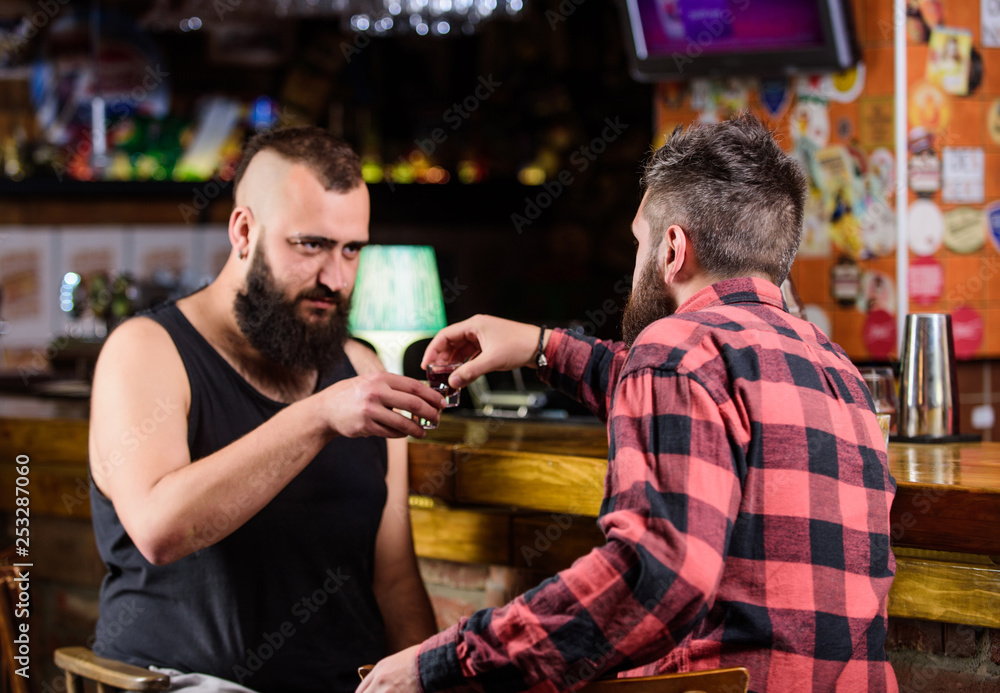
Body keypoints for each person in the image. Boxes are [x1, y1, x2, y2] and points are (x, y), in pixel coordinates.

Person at [358, 114, 898, 692]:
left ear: (672, 249)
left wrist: (447, 662)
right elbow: (684, 393)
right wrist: (539, 346)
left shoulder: (673, 351)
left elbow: (659, 576)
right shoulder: (835, 368)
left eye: (637, 240)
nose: (633, 259)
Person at [88, 127, 442, 693]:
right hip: (179, 682)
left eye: (352, 249)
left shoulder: (364, 370)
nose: (336, 278)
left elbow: (394, 579)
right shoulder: (146, 350)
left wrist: (429, 683)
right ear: (244, 231)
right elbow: (159, 530)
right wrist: (319, 416)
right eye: (311, 245)